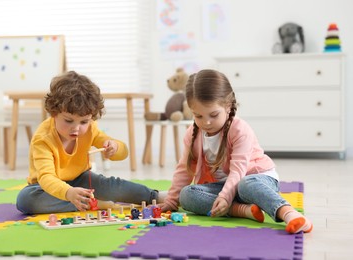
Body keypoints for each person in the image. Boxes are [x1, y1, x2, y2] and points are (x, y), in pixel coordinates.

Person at [159, 69, 313, 234]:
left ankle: (288, 213)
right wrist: (172, 200)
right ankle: (242, 210)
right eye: (198, 116)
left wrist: (225, 197)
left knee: (245, 184)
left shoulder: (239, 129)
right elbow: (184, 169)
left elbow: (238, 171)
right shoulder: (192, 133)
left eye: (213, 114)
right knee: (187, 195)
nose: (207, 122)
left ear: (228, 106)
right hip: (224, 187)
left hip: (255, 180)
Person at [16, 71, 164, 214]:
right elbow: (46, 178)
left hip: (81, 179)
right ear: (54, 113)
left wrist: (115, 147)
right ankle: (92, 203)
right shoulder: (43, 139)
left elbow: (123, 153)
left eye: (84, 121)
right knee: (26, 200)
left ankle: (155, 196)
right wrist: (68, 192)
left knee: (112, 186)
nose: (76, 128)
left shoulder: (90, 129)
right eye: (68, 120)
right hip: (46, 187)